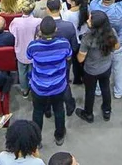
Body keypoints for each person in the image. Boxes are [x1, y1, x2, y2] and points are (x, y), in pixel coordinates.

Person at [27, 16, 73, 146]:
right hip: (58, 86)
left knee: (37, 112)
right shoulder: (64, 43)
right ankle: (59, 136)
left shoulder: (33, 46)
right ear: (56, 30)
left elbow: (29, 57)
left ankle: (36, 141)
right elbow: (69, 57)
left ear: (40, 31)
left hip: (39, 87)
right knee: (59, 110)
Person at [75, 11, 118, 123]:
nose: (87, 21)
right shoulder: (111, 33)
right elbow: (116, 47)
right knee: (105, 88)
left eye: (90, 19)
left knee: (90, 92)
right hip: (106, 67)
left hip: (91, 71)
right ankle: (107, 111)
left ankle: (88, 114)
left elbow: (80, 59)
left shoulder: (87, 38)